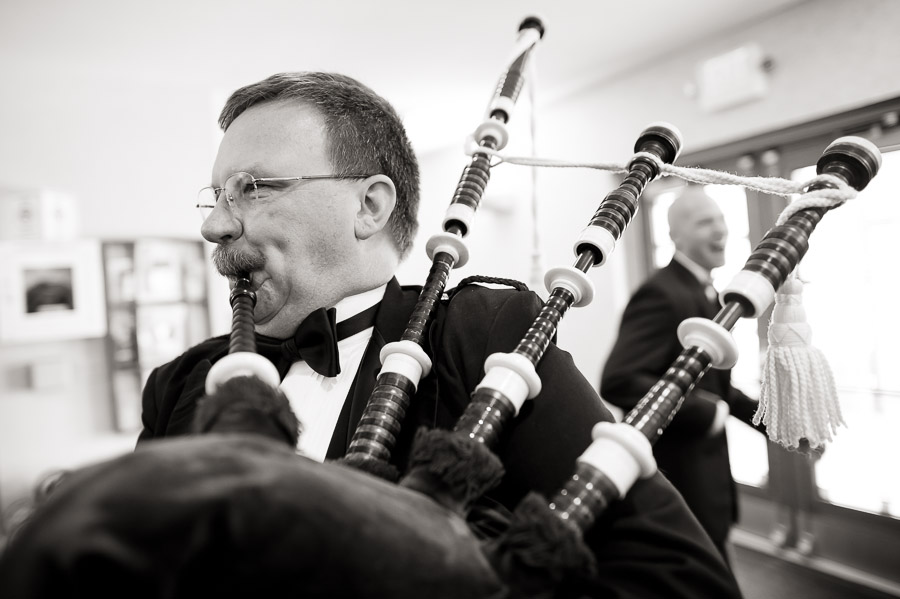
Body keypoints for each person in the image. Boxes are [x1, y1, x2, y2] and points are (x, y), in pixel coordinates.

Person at [135, 72, 742, 597]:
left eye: (253, 188)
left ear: (370, 207)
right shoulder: (181, 385)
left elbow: (680, 578)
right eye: (217, 196)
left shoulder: (483, 338)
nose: (215, 225)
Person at [601, 185, 764, 562]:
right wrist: (706, 413)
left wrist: (773, 425)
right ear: (675, 235)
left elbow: (715, 386)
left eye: (721, 219)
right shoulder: (661, 293)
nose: (720, 229)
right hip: (679, 481)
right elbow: (620, 380)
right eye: (706, 222)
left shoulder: (706, 291)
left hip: (707, 482)